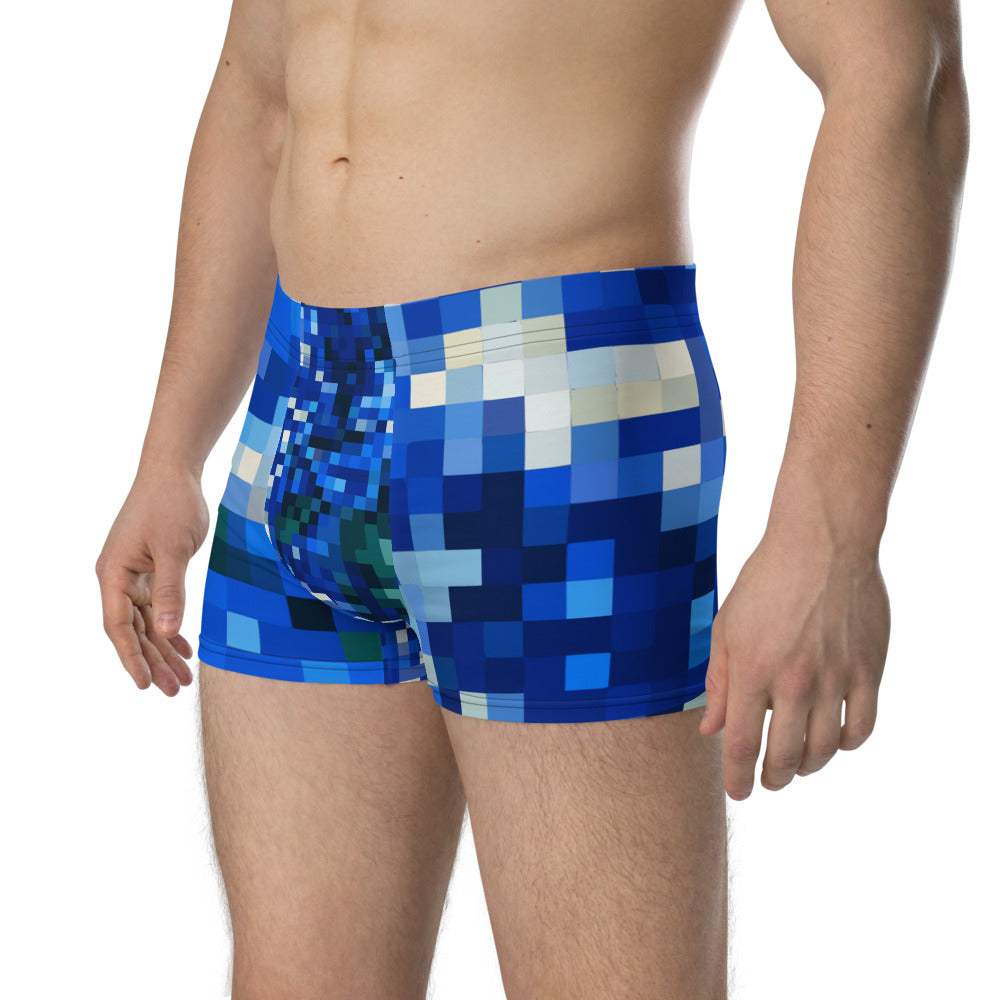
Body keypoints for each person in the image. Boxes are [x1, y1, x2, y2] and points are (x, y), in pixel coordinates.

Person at [95, 1, 969, 997]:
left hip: (546, 400)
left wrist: (831, 526)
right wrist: (172, 451)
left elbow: (900, 71)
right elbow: (261, 99)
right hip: (302, 402)